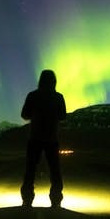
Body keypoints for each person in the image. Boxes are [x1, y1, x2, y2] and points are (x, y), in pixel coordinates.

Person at [20, 69, 67, 208]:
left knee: (30, 170)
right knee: (55, 170)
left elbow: (24, 115)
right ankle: (56, 200)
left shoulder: (33, 96)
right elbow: (63, 116)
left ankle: (27, 200)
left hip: (34, 137)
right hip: (52, 138)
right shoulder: (58, 97)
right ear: (54, 81)